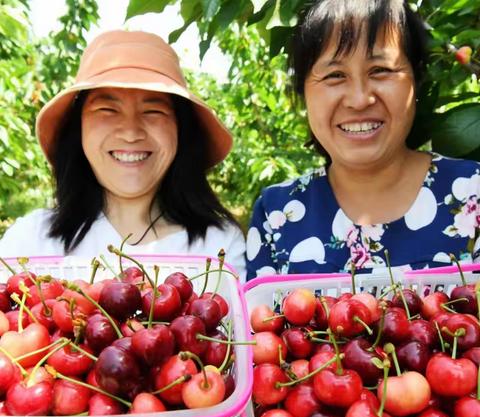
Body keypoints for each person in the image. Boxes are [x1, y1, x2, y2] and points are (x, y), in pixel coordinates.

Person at [246, 0, 480, 281]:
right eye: (335, 75)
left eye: (380, 70)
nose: (359, 100)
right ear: (303, 93)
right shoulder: (277, 213)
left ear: (415, 81)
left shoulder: (473, 193)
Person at [0, 30, 246, 279]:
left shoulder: (217, 247)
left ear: (180, 130)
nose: (130, 133)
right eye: (107, 109)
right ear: (79, 129)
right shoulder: (29, 242)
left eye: (153, 111)